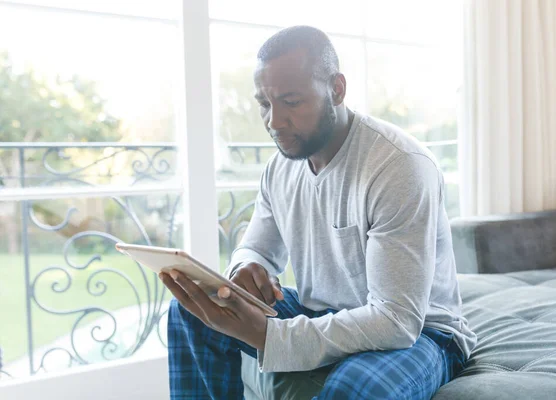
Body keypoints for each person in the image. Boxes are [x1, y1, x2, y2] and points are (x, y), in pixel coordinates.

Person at [160, 25, 477, 400]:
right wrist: (244, 270)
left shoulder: (398, 167)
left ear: (337, 89)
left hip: (420, 333)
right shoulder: (281, 167)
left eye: (291, 102)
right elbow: (257, 249)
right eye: (265, 103)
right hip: (320, 313)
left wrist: (268, 334)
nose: (274, 121)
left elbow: (396, 320)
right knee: (190, 312)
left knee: (355, 387)